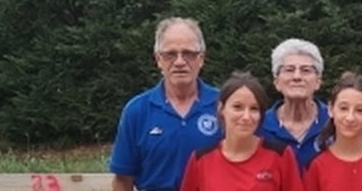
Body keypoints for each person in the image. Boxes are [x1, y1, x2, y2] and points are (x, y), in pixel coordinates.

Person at [110, 17, 222, 191]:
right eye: (170, 54)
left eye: (188, 54)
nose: (179, 62)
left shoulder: (224, 106)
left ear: (201, 58)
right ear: (158, 59)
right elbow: (123, 179)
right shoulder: (137, 111)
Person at [179, 72, 305, 191]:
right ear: (221, 109)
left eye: (254, 109)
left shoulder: (280, 155)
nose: (246, 116)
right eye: (237, 107)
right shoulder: (200, 159)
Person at [260, 38, 330, 173]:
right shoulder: (259, 126)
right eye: (289, 70)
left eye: (306, 70)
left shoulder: (336, 123)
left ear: (318, 81)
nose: (297, 76)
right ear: (276, 82)